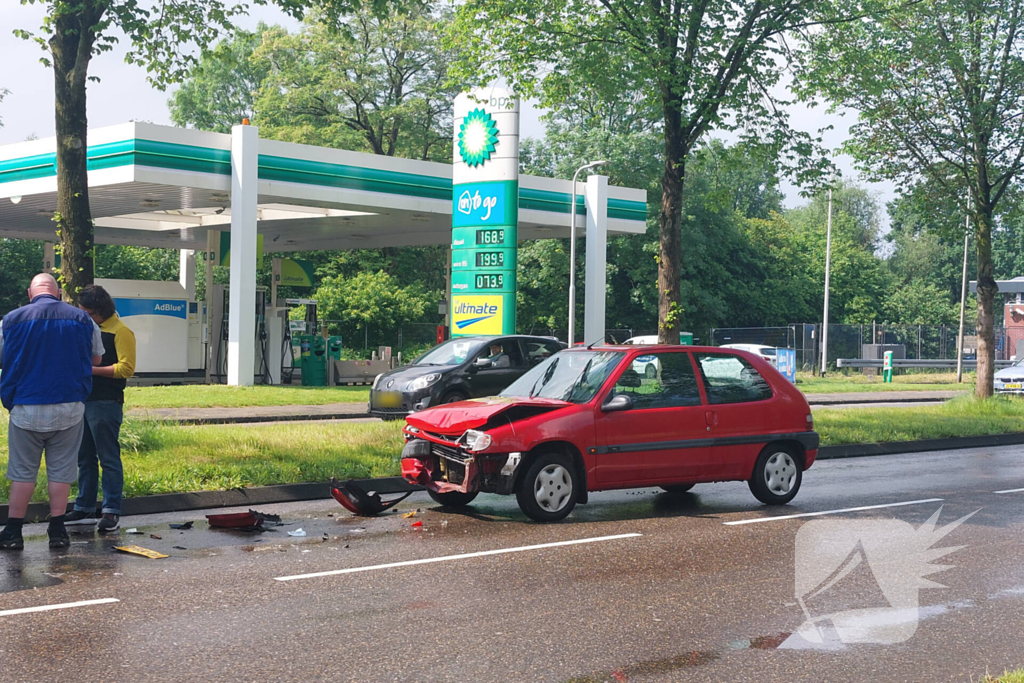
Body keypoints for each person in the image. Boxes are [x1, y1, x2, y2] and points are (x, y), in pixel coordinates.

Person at [0, 274, 103, 550]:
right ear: (58, 294)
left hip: (26, 405)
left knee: (23, 472)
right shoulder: (83, 320)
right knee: (61, 470)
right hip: (69, 405)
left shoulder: (10, 320)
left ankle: (12, 533)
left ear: (29, 293)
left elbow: (3, 357)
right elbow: (96, 358)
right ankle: (57, 532)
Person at [65, 285, 136, 532]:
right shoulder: (85, 328)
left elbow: (126, 368)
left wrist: (90, 370)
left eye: (87, 311)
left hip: (106, 402)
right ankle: (84, 507)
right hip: (82, 400)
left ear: (100, 311)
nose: (83, 315)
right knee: (84, 457)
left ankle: (111, 510)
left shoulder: (121, 331)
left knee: (108, 457)